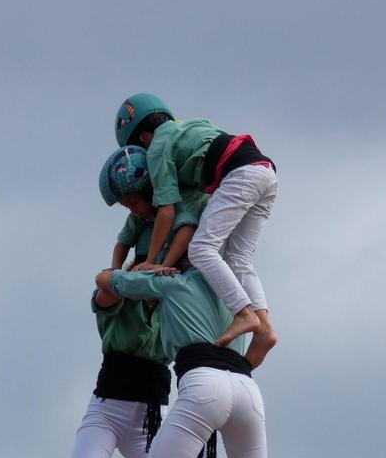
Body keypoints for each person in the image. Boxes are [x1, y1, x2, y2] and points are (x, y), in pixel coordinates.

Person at [95, 263, 267, 458]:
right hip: (247, 387)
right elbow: (266, 339)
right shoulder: (234, 294)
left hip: (203, 381)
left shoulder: (175, 284)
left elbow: (104, 279)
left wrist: (152, 267)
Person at [114, 94, 277, 365]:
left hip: (240, 174)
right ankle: (264, 329)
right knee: (238, 260)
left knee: (202, 249)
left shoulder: (156, 149)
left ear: (142, 138)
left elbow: (166, 211)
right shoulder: (189, 126)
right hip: (265, 172)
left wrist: (153, 262)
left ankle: (244, 314)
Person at [64, 269, 191, 458]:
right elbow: (105, 289)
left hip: (151, 417)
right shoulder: (119, 294)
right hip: (108, 408)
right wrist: (141, 273)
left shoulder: (175, 303)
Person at [99, 145, 208, 269]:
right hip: (163, 255)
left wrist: (163, 266)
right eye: (127, 207)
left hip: (200, 247)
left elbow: (186, 231)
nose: (133, 211)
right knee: (106, 284)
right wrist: (115, 269)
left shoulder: (179, 198)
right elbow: (123, 242)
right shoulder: (140, 215)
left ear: (148, 190)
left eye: (133, 203)